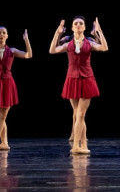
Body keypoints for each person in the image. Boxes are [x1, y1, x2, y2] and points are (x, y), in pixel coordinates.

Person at [49, 16, 108, 155]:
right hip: (72, 79)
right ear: (72, 27)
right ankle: (83, 144)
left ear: (84, 27)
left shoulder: (89, 43)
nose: (78, 25)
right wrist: (57, 33)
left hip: (87, 78)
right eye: (75, 23)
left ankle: (76, 145)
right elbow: (52, 50)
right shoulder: (67, 44)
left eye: (81, 23)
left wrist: (99, 31)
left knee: (81, 114)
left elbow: (105, 47)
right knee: (78, 114)